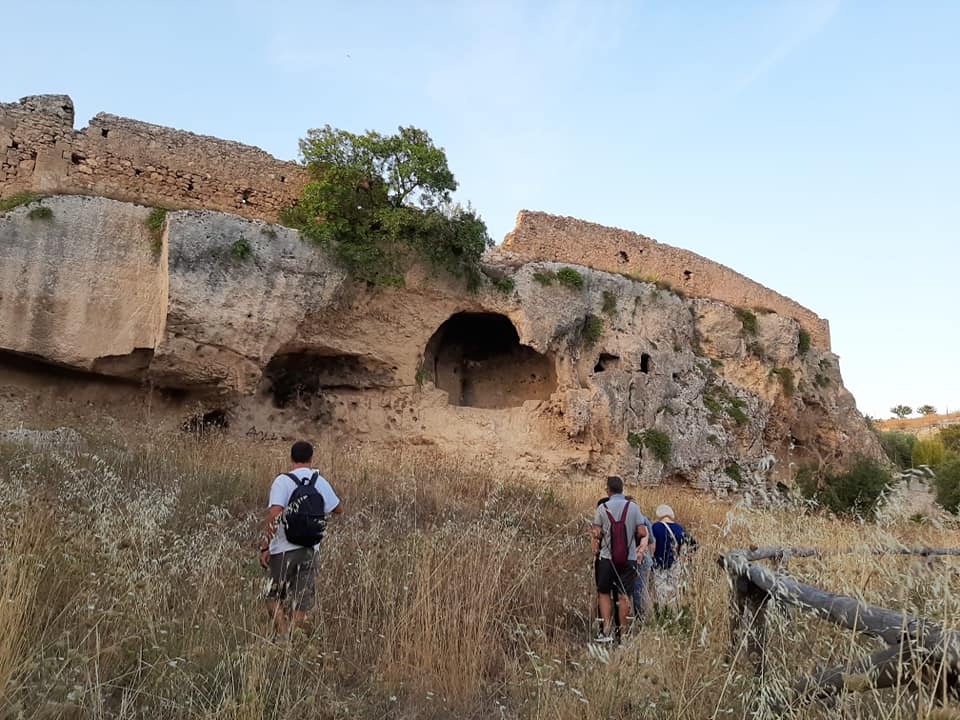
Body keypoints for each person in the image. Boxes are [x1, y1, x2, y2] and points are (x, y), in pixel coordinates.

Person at [259, 440, 343, 635]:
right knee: (302, 600)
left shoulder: (282, 481)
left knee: (272, 597)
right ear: (311, 459)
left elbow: (275, 514)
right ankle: (294, 640)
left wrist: (265, 546)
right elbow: (338, 509)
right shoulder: (319, 481)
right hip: (310, 549)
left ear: (291, 458)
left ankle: (283, 633)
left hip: (283, 549)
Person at [590, 476, 649, 642]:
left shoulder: (603, 507)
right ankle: (624, 635)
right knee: (624, 595)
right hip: (628, 557)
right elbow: (643, 532)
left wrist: (603, 534)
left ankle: (607, 631)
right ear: (622, 489)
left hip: (607, 557)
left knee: (604, 592)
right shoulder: (633, 507)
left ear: (608, 490)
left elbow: (596, 532)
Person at [650, 504, 694, 609]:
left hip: (659, 565)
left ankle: (662, 613)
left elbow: (652, 546)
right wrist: (686, 556)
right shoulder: (679, 528)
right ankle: (674, 612)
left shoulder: (655, 527)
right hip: (675, 564)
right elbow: (693, 543)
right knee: (674, 592)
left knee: (661, 592)